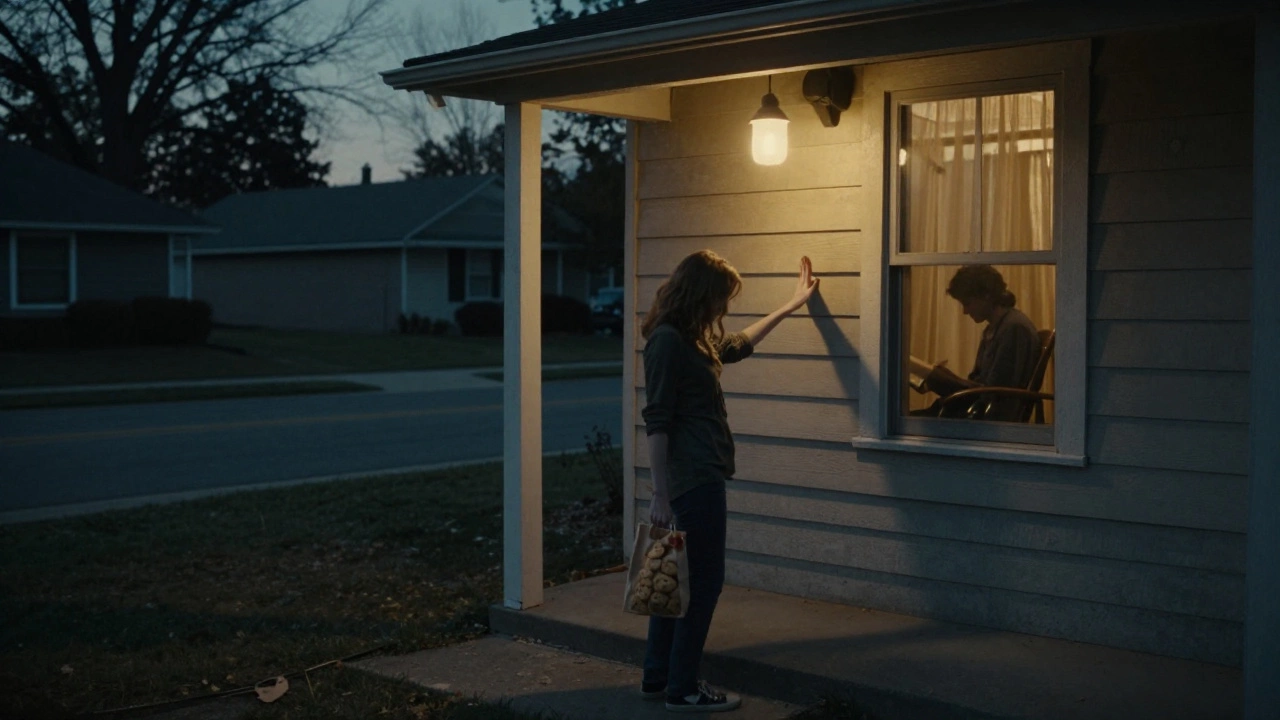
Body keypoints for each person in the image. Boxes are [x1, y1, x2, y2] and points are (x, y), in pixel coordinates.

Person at [639, 250, 818, 713]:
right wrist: (660, 493)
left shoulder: (691, 340)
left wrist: (789, 305)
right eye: (721, 297)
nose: (723, 308)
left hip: (699, 473)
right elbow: (656, 421)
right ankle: (683, 689)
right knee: (703, 583)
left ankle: (659, 676)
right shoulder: (667, 342)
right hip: (691, 478)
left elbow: (734, 346)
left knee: (676, 578)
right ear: (701, 293)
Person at [907, 264, 1040, 422]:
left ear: (986, 296)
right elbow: (979, 383)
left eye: (967, 303)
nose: (965, 311)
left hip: (986, 418)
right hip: (975, 409)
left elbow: (996, 392)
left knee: (901, 423)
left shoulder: (1014, 328)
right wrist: (941, 376)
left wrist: (937, 377)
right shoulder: (996, 328)